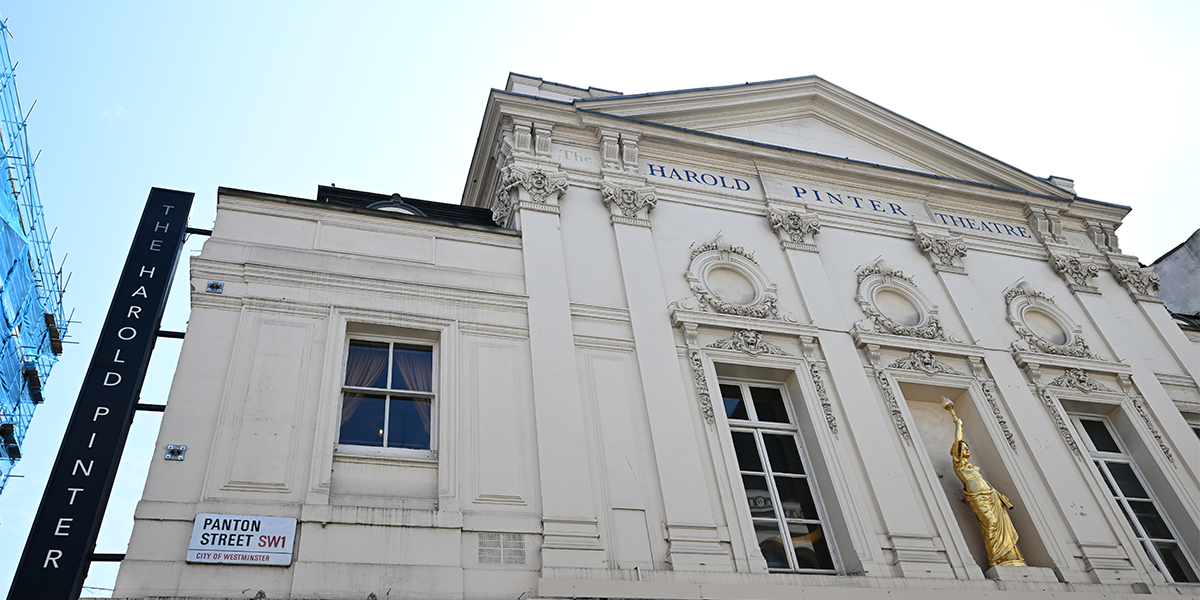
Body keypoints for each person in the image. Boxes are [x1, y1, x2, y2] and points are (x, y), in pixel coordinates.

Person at [945, 399, 1026, 567]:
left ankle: (1010, 558)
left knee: (1004, 526)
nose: (965, 449)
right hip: (977, 497)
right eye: (961, 448)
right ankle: (996, 558)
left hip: (991, 495)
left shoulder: (973, 468)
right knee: (991, 523)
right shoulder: (960, 465)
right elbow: (959, 441)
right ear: (955, 452)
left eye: (967, 447)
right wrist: (957, 423)